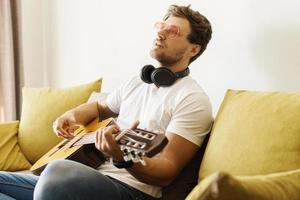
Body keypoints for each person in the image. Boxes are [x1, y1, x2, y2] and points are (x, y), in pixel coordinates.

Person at [0, 4, 213, 200]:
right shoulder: (137, 83)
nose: (160, 32)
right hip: (87, 180)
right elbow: (99, 108)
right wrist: (70, 116)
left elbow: (167, 169)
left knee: (57, 169)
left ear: (193, 49)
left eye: (173, 31)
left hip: (132, 190)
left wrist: (123, 157)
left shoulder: (192, 99)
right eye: (161, 25)